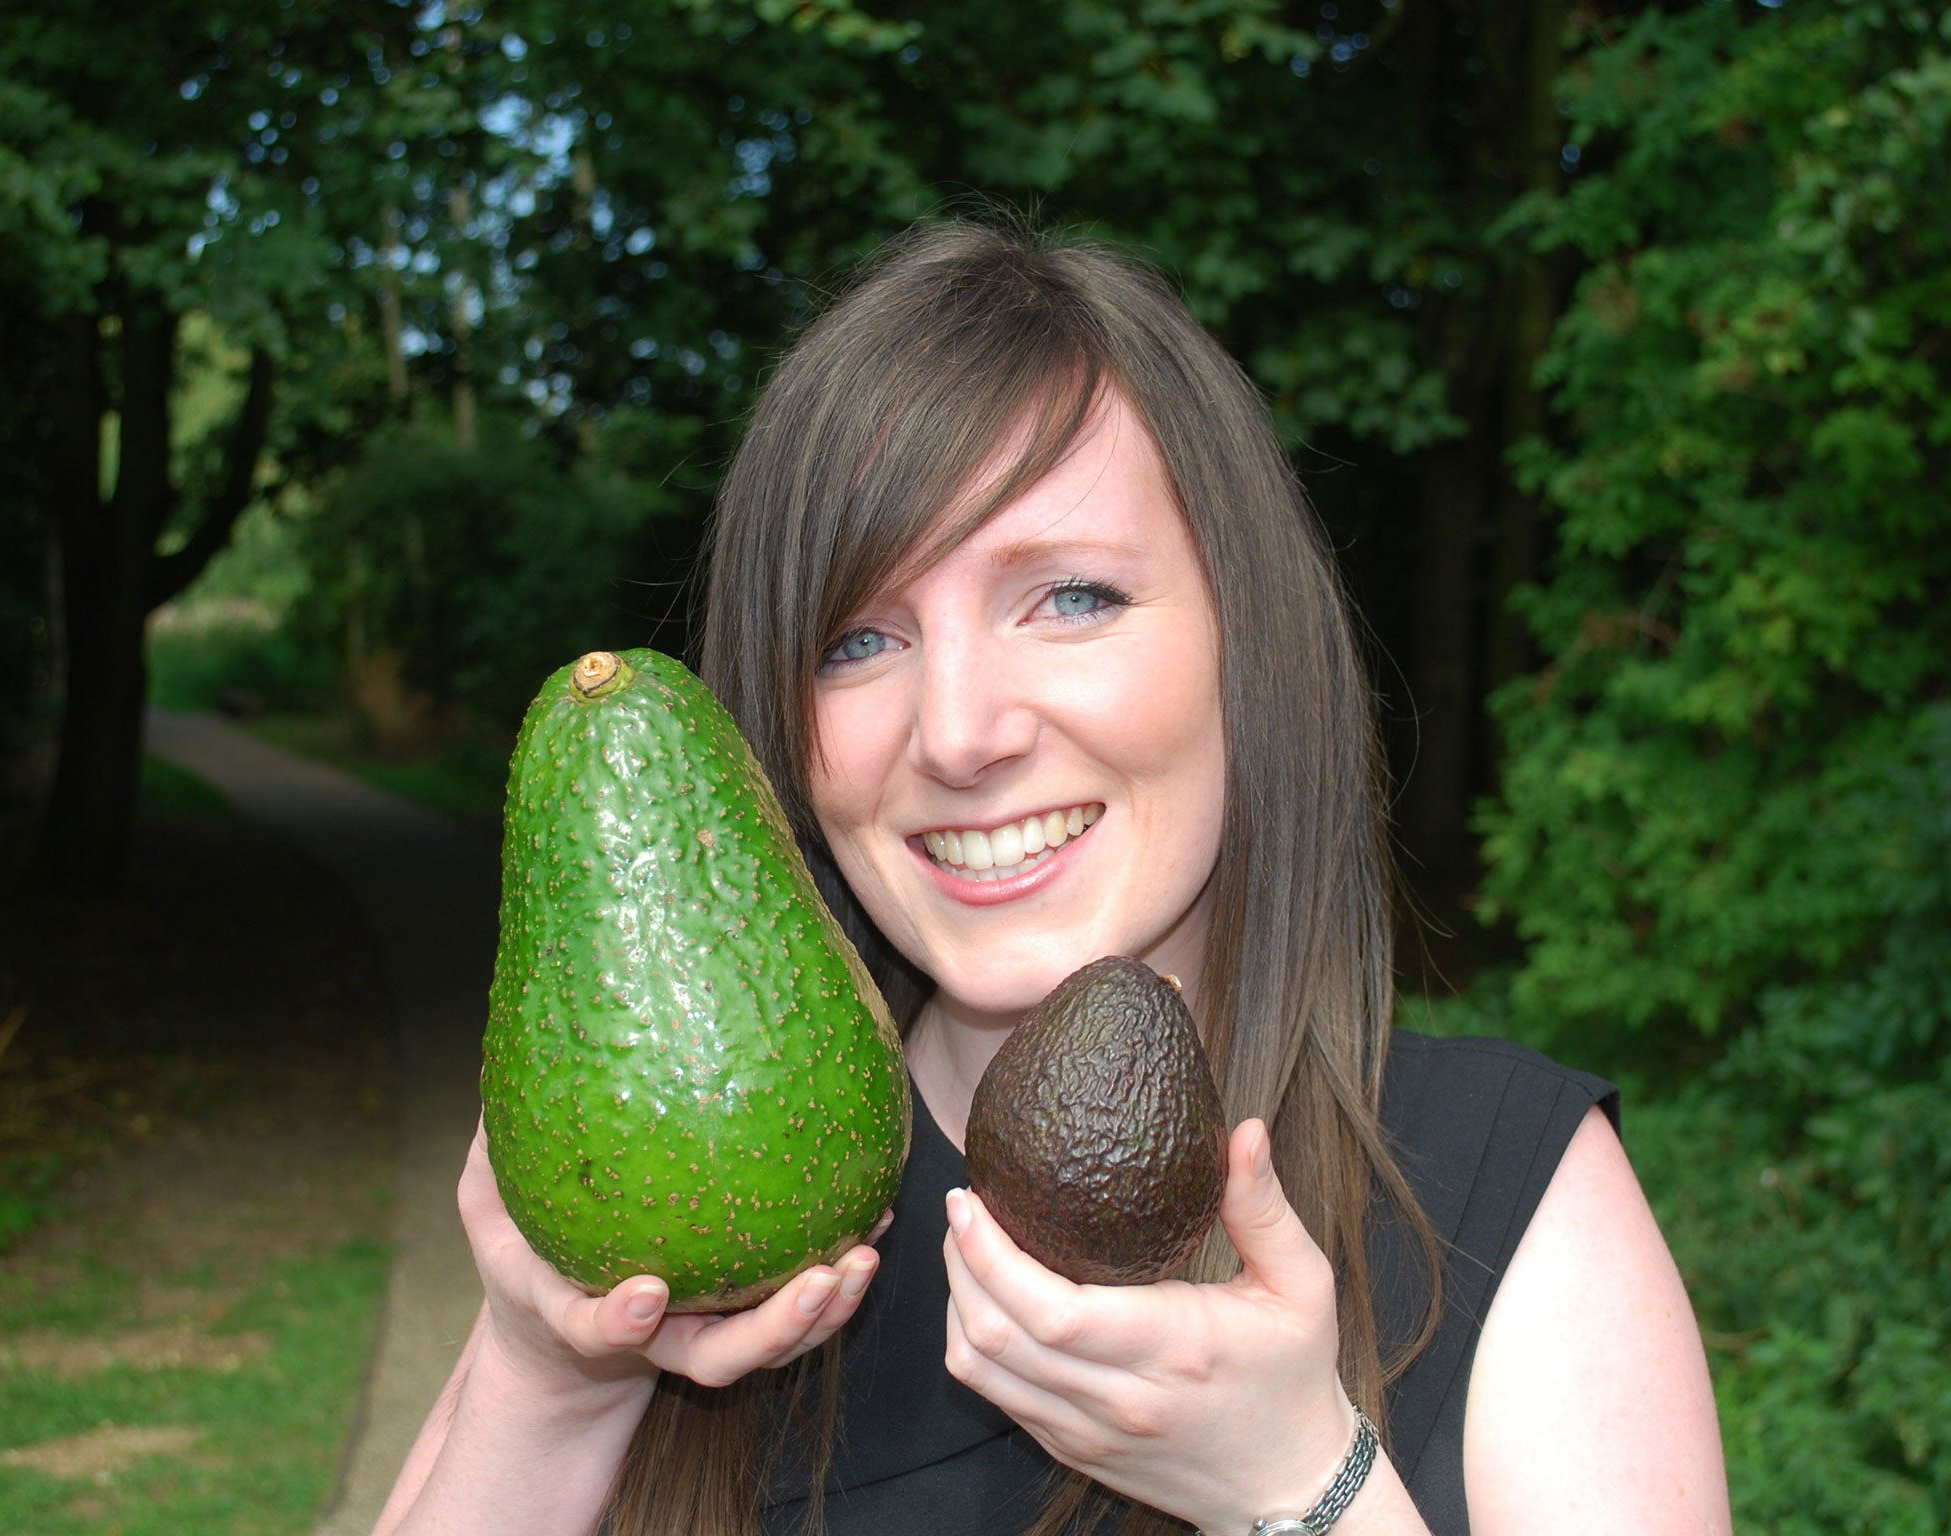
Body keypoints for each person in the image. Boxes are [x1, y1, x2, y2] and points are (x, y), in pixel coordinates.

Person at [374, 221, 1731, 1536]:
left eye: (1071, 596)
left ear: (1241, 640)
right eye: (858, 638)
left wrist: (1300, 1486)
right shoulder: (696, 1210)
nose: (958, 733)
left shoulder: (1504, 1192)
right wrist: (549, 1381)